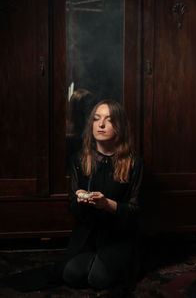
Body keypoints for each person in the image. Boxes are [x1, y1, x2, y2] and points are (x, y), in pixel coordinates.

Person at [62, 99, 143, 297]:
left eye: (109, 120)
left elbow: (135, 211)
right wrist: (81, 200)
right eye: (97, 119)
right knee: (70, 276)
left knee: (98, 280)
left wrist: (107, 204)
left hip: (118, 236)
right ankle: (94, 258)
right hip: (88, 234)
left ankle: (105, 261)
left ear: (120, 126)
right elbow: (73, 209)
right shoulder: (79, 159)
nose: (101, 125)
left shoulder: (133, 162)